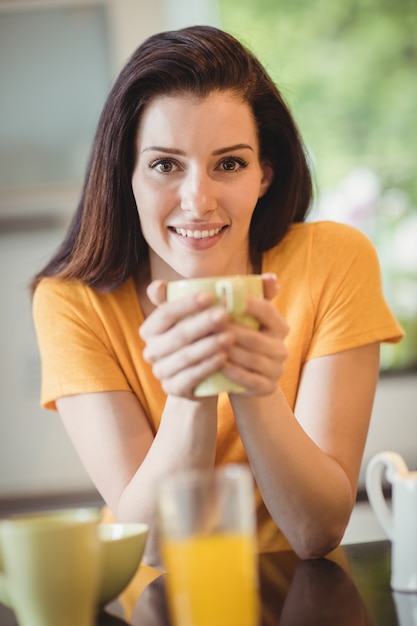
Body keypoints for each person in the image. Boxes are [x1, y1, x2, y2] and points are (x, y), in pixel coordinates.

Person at [32, 25, 402, 569]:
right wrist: (190, 394)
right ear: (126, 175)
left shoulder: (336, 260)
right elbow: (154, 546)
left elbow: (316, 530)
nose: (197, 200)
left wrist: (255, 386)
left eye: (229, 164)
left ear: (264, 175)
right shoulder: (71, 302)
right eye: (164, 164)